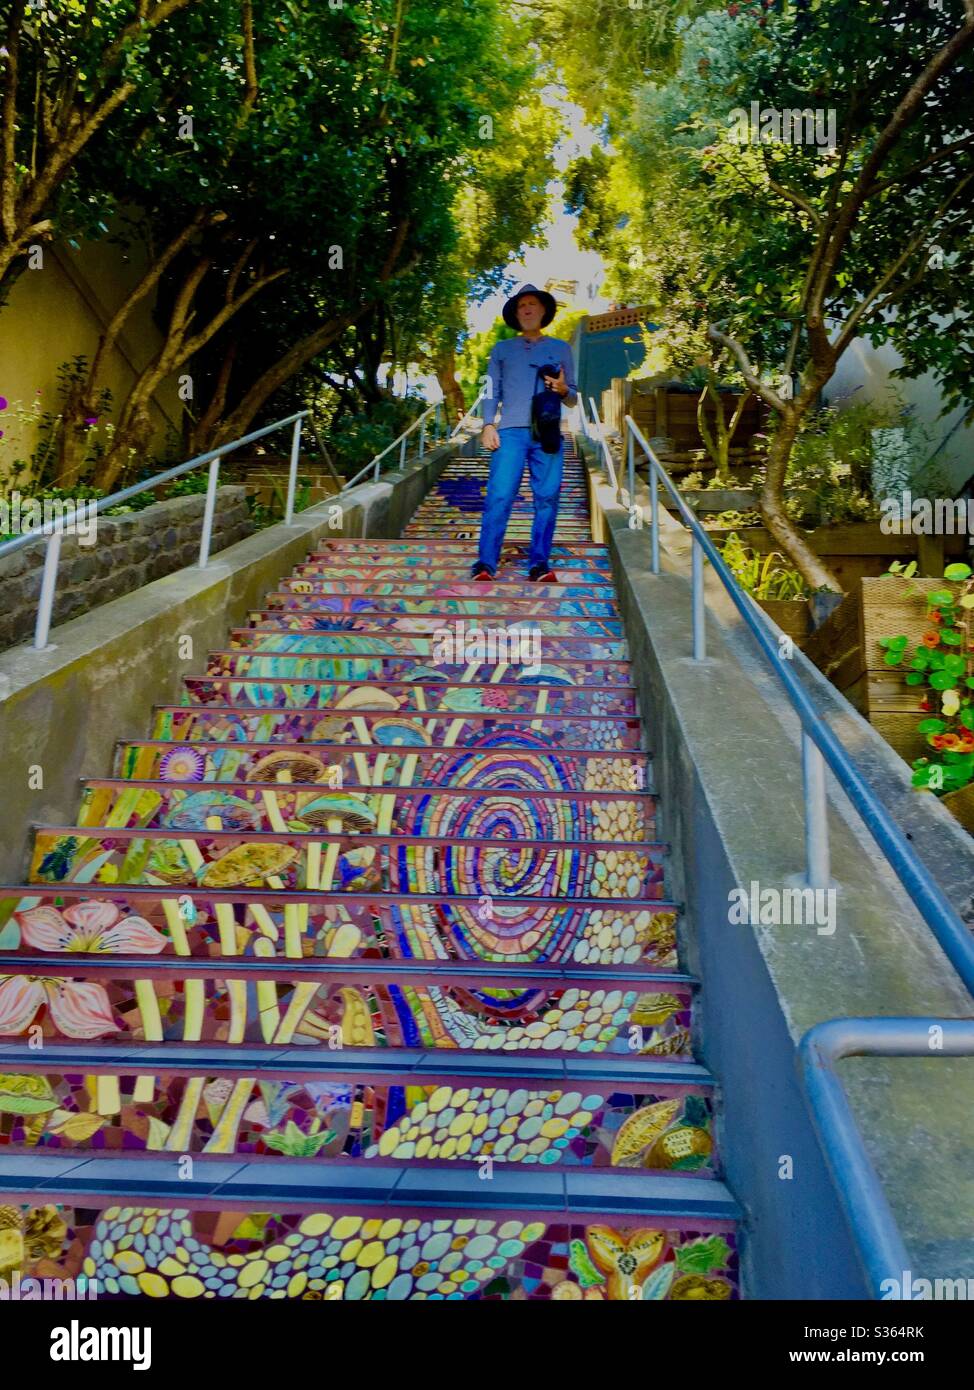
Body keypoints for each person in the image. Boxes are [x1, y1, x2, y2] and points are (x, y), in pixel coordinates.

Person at [471, 283, 578, 582]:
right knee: (500, 494)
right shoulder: (502, 349)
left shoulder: (561, 348)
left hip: (547, 434)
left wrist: (563, 388)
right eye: (521, 305)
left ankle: (539, 563)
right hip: (510, 433)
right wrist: (488, 423)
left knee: (547, 497)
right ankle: (485, 563)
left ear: (543, 310)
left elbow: (574, 396)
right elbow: (490, 388)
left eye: (532, 304)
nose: (527, 309)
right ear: (516, 314)